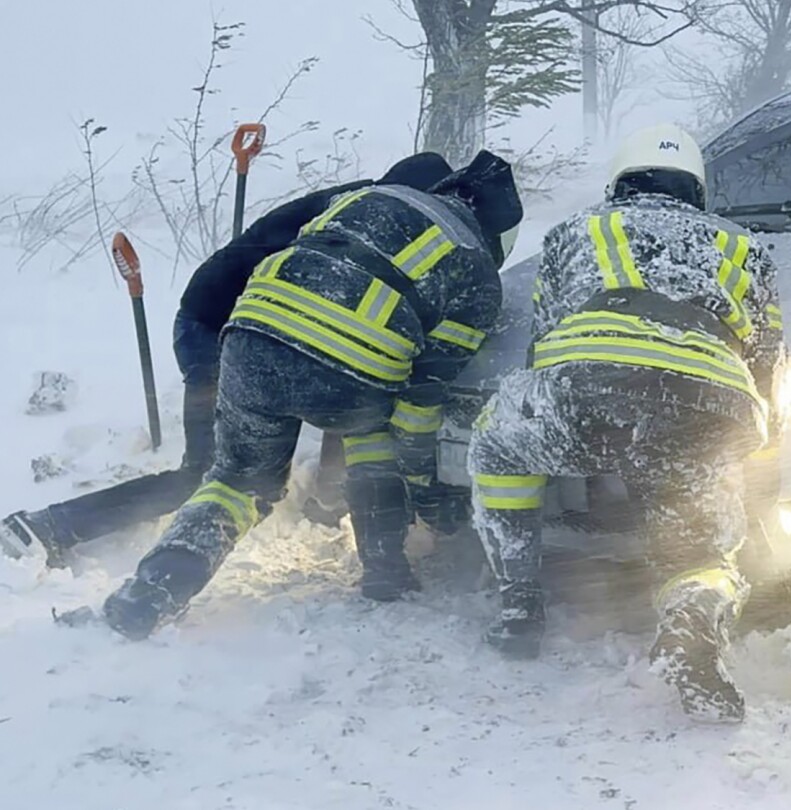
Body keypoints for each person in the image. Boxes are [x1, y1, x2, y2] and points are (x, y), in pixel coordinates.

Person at [99, 150, 523, 641]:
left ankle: (152, 591)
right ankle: (385, 571)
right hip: (347, 372)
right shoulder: (475, 270)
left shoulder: (363, 198)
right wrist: (425, 486)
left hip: (249, 342)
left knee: (237, 483)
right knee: (373, 433)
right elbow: (420, 401)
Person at [467, 124, 785, 722]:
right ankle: (692, 624)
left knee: (497, 444)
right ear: (696, 189)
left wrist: (579, 425)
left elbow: (545, 342)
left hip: (589, 389)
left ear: (619, 182)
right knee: (704, 552)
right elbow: (768, 368)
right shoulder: (746, 246)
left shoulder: (578, 231)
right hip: (707, 405)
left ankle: (520, 603)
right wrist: (756, 463)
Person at [0, 153, 456, 564]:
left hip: (266, 332)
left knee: (350, 383)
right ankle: (48, 526)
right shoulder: (369, 221)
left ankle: (324, 503)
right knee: (206, 475)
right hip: (217, 331)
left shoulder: (364, 208)